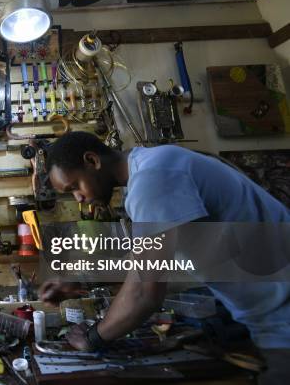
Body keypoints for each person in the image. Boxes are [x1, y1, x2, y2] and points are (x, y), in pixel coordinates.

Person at [38, 131, 290, 385]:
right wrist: (81, 280)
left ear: (92, 161)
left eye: (75, 187)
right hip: (266, 314)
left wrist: (93, 337)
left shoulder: (152, 181)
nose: (78, 198)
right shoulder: (153, 167)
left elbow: (144, 294)